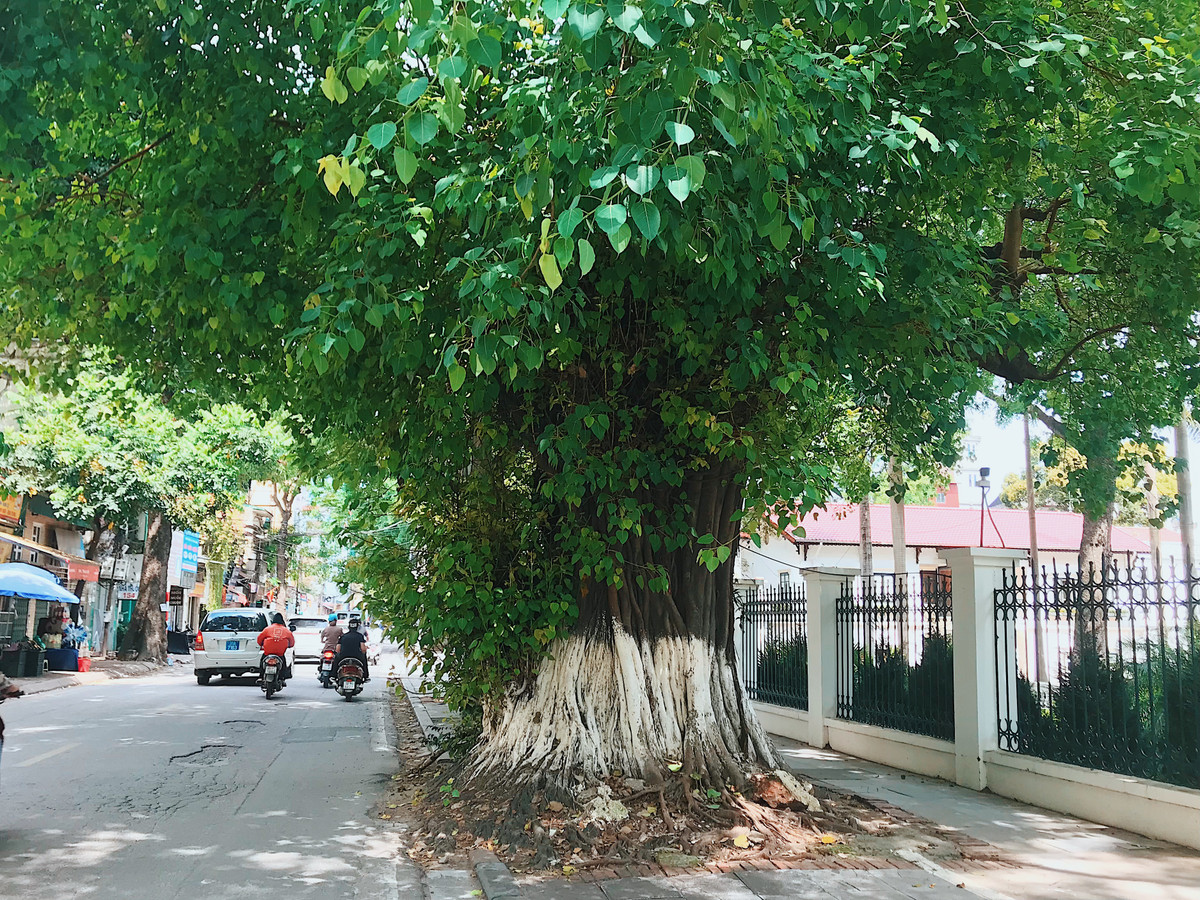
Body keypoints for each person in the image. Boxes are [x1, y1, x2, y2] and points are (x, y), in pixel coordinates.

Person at [256, 612, 294, 685]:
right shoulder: (287, 631)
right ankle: (282, 678)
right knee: (283, 664)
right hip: (280, 654)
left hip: (268, 653)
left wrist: (262, 644)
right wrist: (287, 645)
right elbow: (292, 643)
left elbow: (259, 640)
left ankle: (261, 676)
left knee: (262, 662)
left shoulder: (267, 629)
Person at [333, 615, 370, 682]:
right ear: (357, 627)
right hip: (357, 656)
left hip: (343, 656)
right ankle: (366, 676)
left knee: (335, 659)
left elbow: (337, 649)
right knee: (364, 659)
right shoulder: (360, 636)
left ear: (349, 627)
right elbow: (363, 649)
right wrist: (363, 652)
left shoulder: (343, 636)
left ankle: (333, 676)